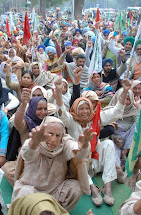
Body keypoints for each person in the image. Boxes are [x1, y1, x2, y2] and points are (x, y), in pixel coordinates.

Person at [55, 77, 133, 206]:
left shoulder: (96, 118)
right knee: (80, 154)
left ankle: (107, 187)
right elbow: (61, 112)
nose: (85, 111)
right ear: (75, 110)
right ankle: (93, 188)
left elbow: (116, 112)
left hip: (94, 159)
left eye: (87, 108)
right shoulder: (71, 121)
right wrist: (58, 93)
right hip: (79, 162)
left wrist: (124, 91)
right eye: (81, 109)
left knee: (108, 143)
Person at [12, 116, 95, 211]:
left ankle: (58, 212)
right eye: (50, 134)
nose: (53, 139)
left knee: (75, 188)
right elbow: (28, 155)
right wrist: (34, 143)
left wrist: (84, 145)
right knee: (25, 192)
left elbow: (76, 151)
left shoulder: (65, 143)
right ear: (43, 132)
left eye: (58, 135)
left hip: (55, 193)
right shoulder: (32, 143)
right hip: (33, 192)